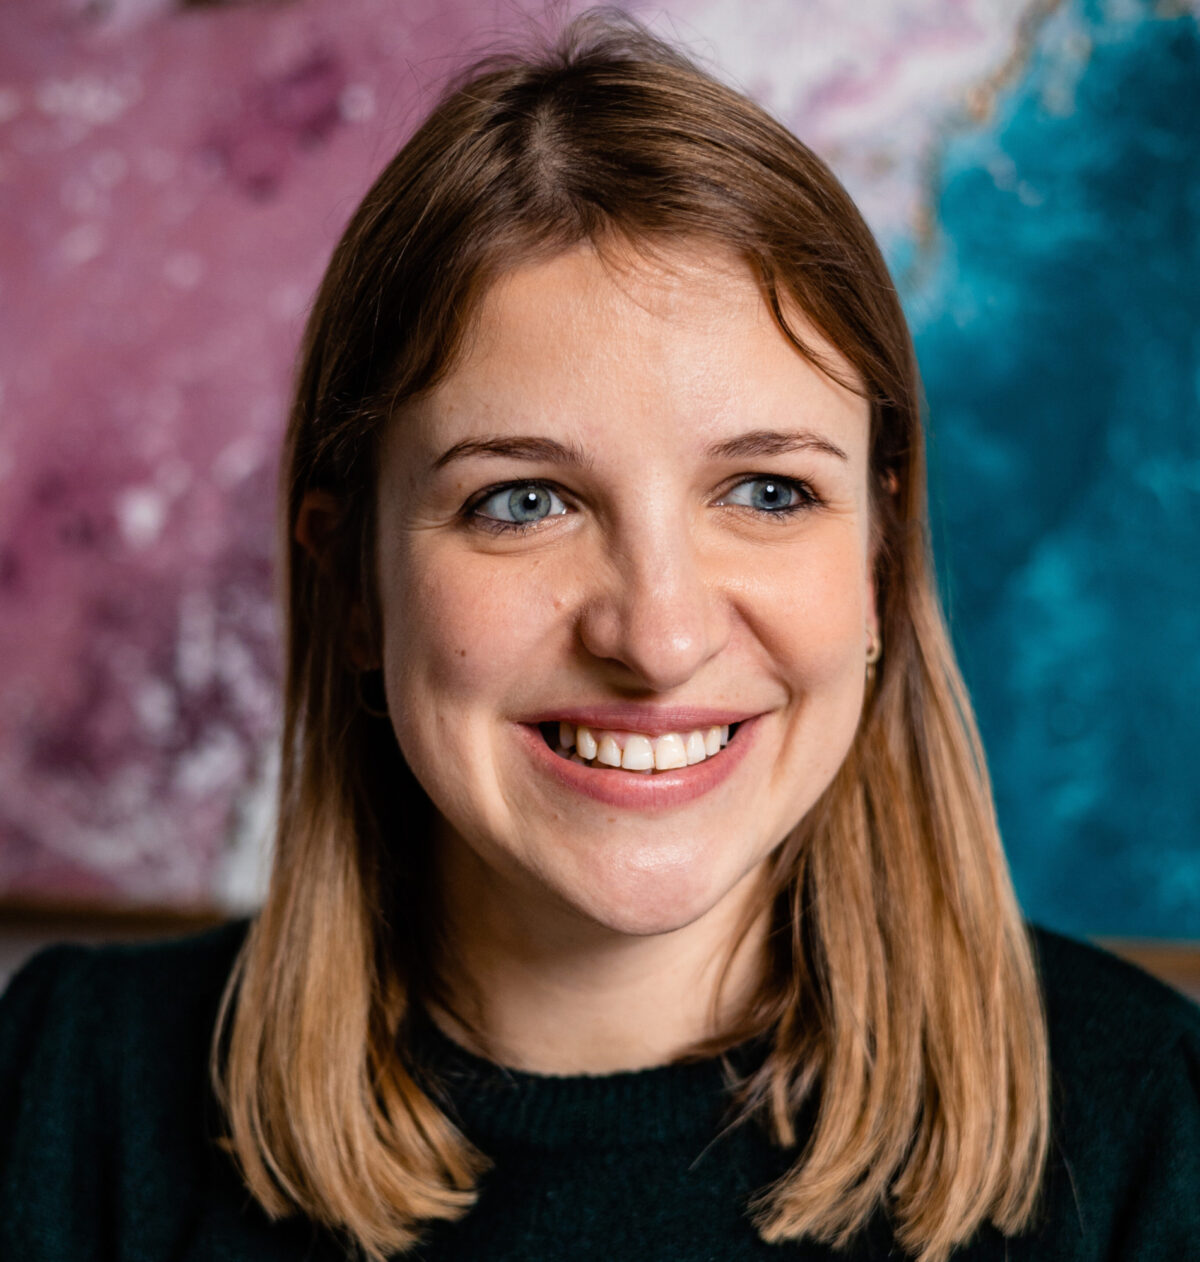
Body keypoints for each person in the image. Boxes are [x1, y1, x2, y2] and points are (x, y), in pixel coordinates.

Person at [1, 12, 1198, 1262]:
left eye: (767, 491)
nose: (661, 635)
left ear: (882, 561)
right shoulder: (69, 1095)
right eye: (524, 500)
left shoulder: (1146, 1132)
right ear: (353, 583)